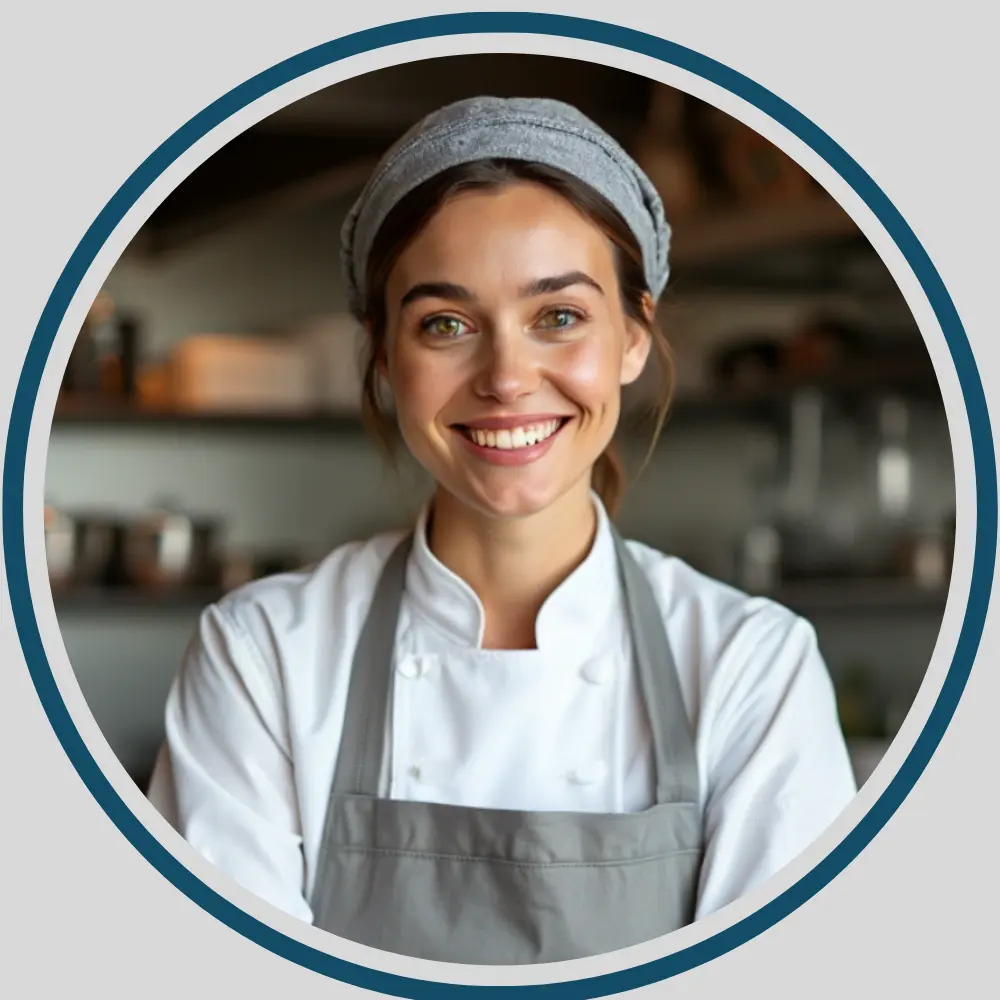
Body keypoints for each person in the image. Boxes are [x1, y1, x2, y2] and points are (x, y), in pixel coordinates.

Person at [148, 96, 856, 965]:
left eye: (558, 316)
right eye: (445, 325)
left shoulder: (753, 667)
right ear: (381, 354)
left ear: (634, 336)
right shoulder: (261, 655)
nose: (507, 379)